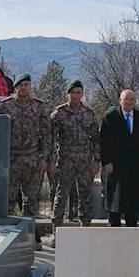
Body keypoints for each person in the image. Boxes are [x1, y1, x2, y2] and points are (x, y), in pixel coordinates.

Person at [0, 73, 51, 249]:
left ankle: (31, 237)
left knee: (31, 201)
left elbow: (46, 134)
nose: (23, 88)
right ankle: (8, 237)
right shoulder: (5, 107)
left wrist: (45, 157)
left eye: (26, 85)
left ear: (30, 86)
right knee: (9, 199)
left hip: (32, 158)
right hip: (11, 158)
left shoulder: (40, 107)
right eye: (20, 85)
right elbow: (0, 132)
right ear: (16, 87)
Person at [49, 80, 100, 247]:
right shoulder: (59, 113)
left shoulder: (89, 114)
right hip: (65, 158)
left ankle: (85, 228)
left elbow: (95, 139)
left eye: (79, 92)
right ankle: (56, 231)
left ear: (82, 94)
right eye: (73, 93)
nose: (76, 96)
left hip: (85, 159)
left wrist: (96, 160)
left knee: (85, 194)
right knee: (61, 194)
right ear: (68, 94)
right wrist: (51, 160)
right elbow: (50, 139)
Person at [100, 90, 139, 227]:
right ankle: (114, 230)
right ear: (120, 100)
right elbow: (103, 141)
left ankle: (133, 232)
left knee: (133, 201)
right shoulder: (110, 117)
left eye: (132, 99)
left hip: (135, 166)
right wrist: (106, 162)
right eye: (126, 99)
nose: (129, 102)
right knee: (115, 201)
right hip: (115, 166)